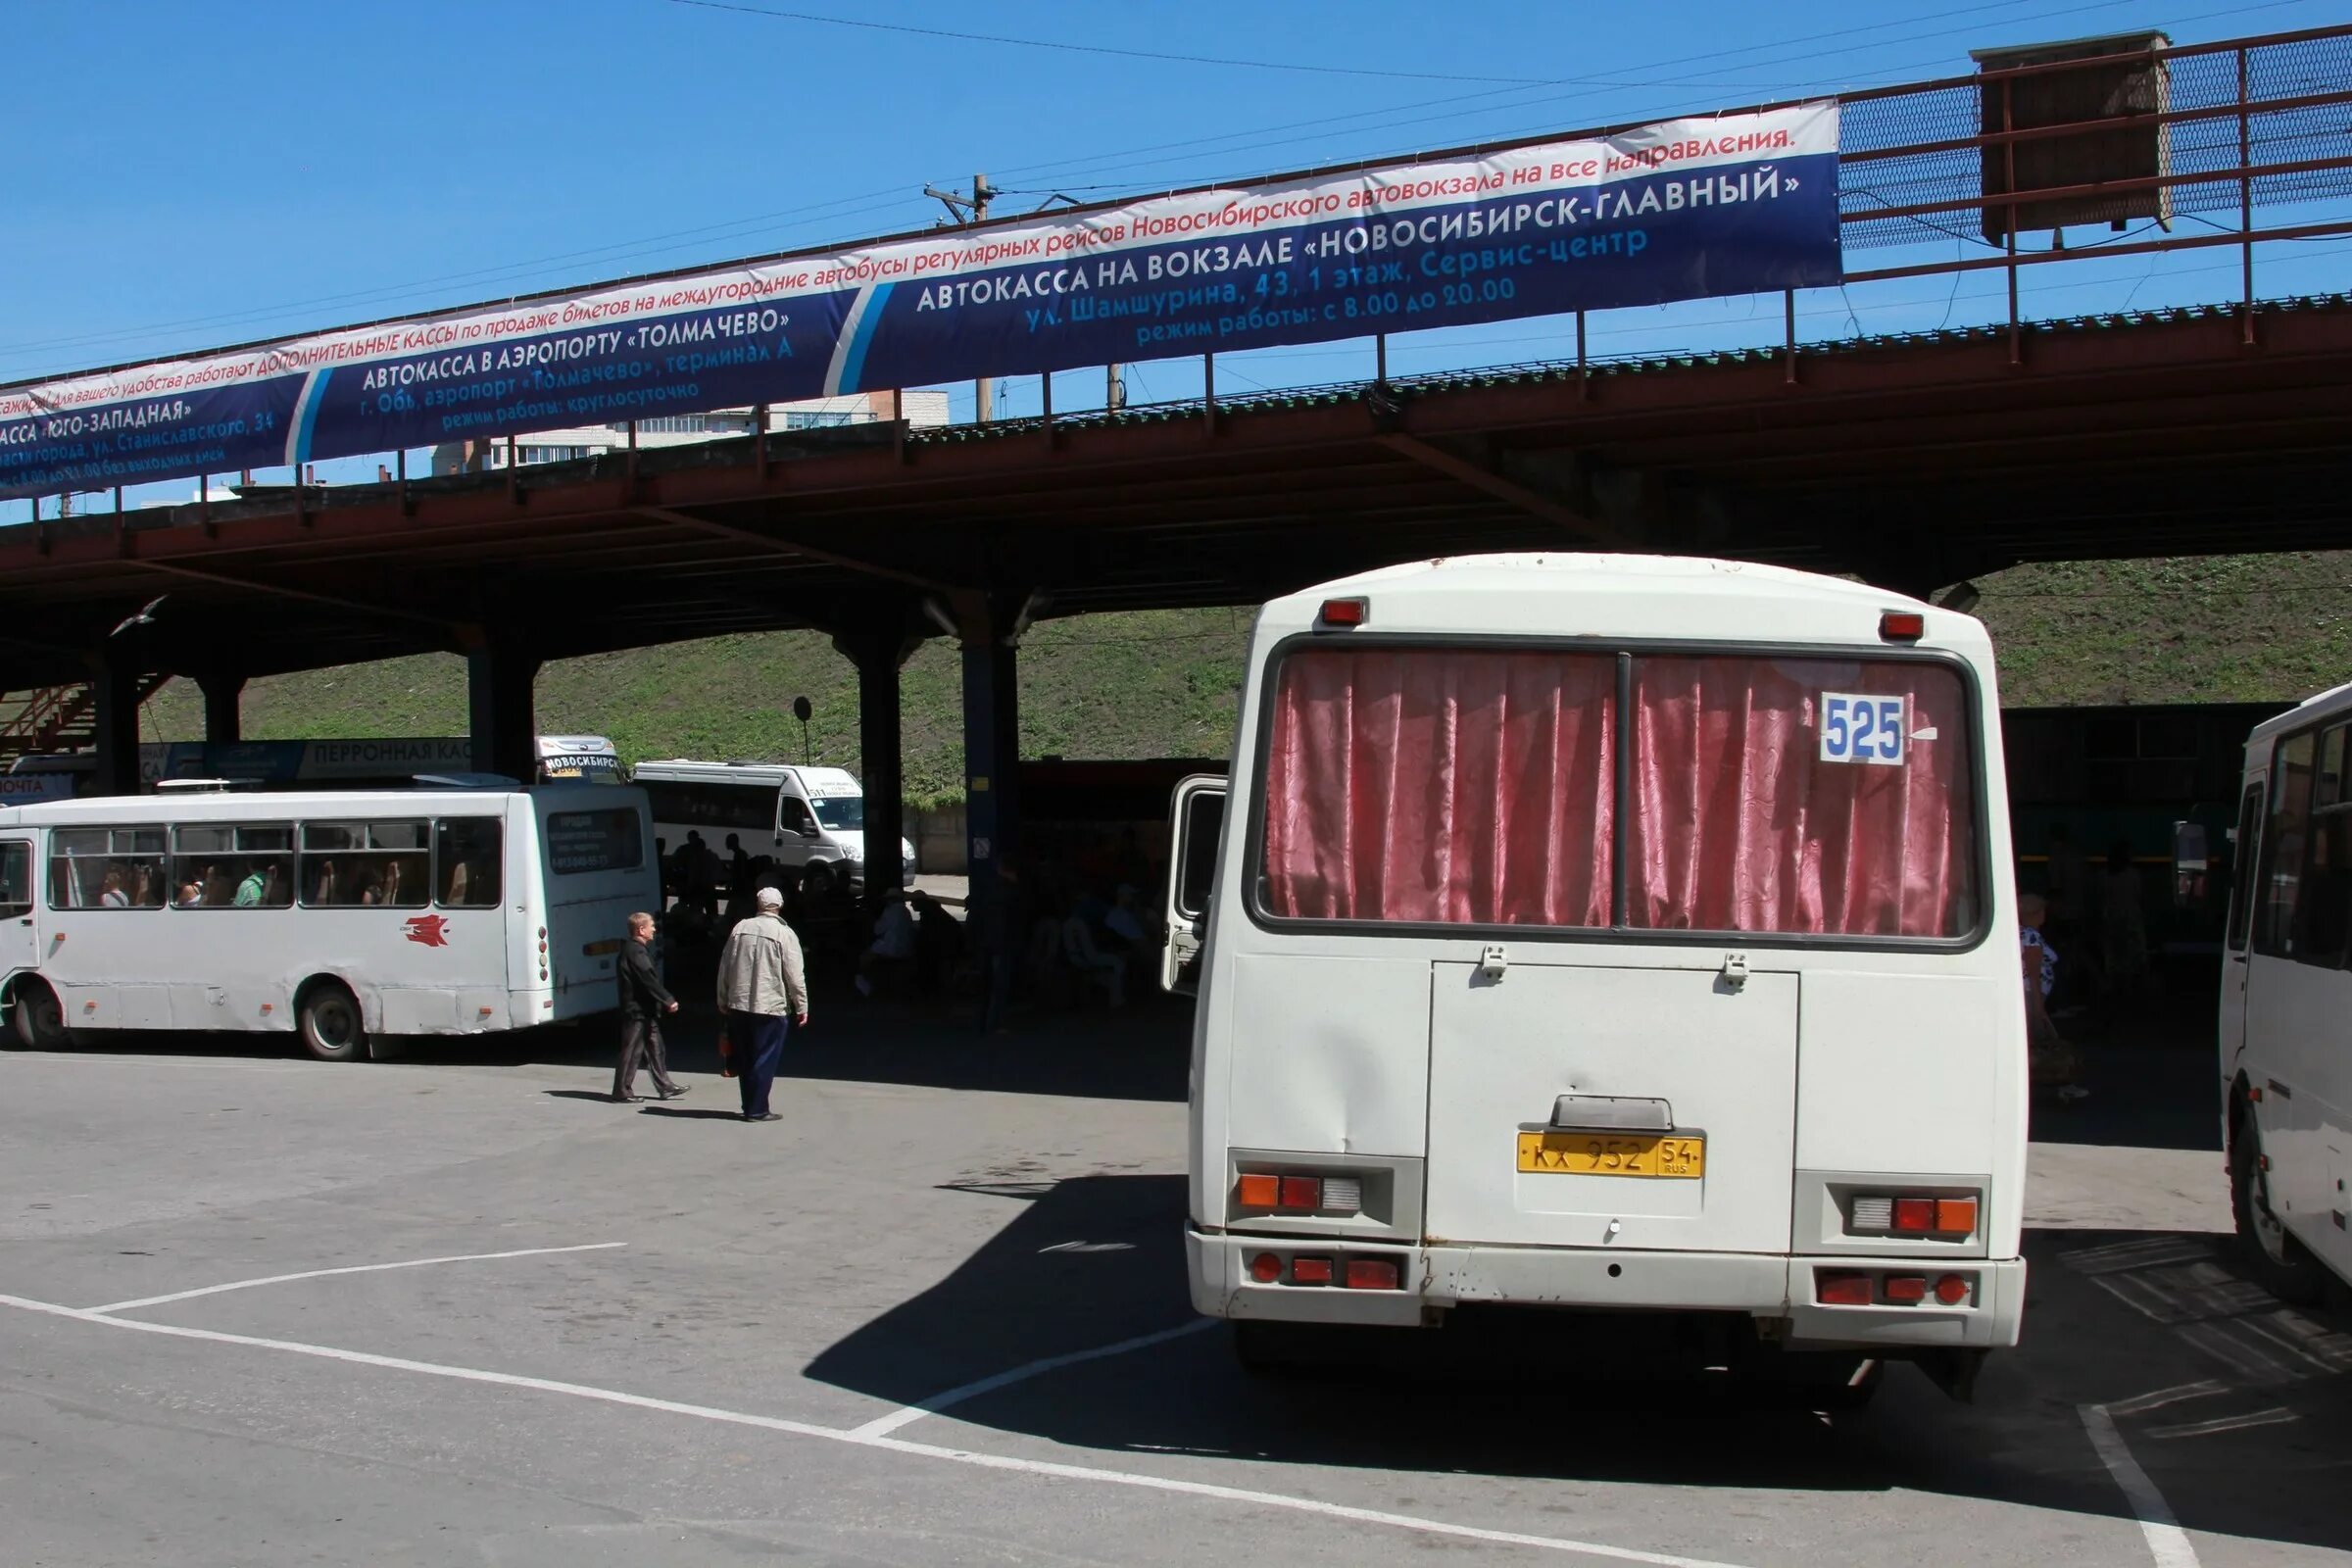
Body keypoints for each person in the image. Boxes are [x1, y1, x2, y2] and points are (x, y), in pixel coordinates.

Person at [715, 886, 807, 1123]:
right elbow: (795, 975)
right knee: (763, 1058)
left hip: (739, 1004)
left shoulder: (740, 929)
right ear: (780, 906)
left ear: (758, 904)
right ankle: (757, 1109)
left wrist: (722, 998)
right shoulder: (785, 934)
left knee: (744, 1057)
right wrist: (802, 1005)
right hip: (770, 1006)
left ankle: (749, 1105)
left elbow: (725, 966)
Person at [612, 911, 686, 1103]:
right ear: (641, 929)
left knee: (656, 1047)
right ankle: (621, 1090)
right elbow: (647, 978)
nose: (654, 929)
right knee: (631, 1050)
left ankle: (665, 1086)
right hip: (636, 1010)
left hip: (645, 1009)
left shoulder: (635, 950)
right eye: (651, 926)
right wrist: (667, 999)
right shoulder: (635, 951)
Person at [2100, 839, 2150, 999]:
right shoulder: (2133, 874)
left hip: (2112, 918)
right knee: (2133, 956)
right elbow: (2140, 896)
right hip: (2131, 918)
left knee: (2115, 958)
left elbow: (2103, 898)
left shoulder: (2105, 875)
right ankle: (2131, 991)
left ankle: (2115, 990)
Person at [857, 890, 916, 998]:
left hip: (890, 947)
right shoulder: (906, 912)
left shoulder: (889, 911)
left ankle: (867, 986)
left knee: (864, 958)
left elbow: (878, 930)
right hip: (905, 948)